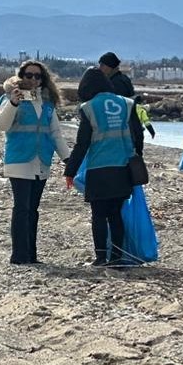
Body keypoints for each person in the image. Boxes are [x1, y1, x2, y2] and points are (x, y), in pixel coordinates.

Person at [61, 67, 143, 267]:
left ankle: (100, 257)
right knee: (116, 214)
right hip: (123, 168)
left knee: (98, 214)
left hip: (99, 169)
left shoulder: (89, 108)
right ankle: (116, 257)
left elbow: (82, 143)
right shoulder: (126, 103)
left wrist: (70, 170)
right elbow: (137, 134)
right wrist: (137, 159)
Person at [0, 61, 70, 266]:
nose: (33, 80)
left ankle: (31, 253)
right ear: (21, 76)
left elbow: (55, 134)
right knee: (22, 207)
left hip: (41, 161)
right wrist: (13, 103)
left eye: (38, 76)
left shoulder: (47, 103)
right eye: (29, 75)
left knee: (33, 209)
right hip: (19, 160)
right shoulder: (10, 98)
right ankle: (19, 255)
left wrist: (68, 159)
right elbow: (1, 124)